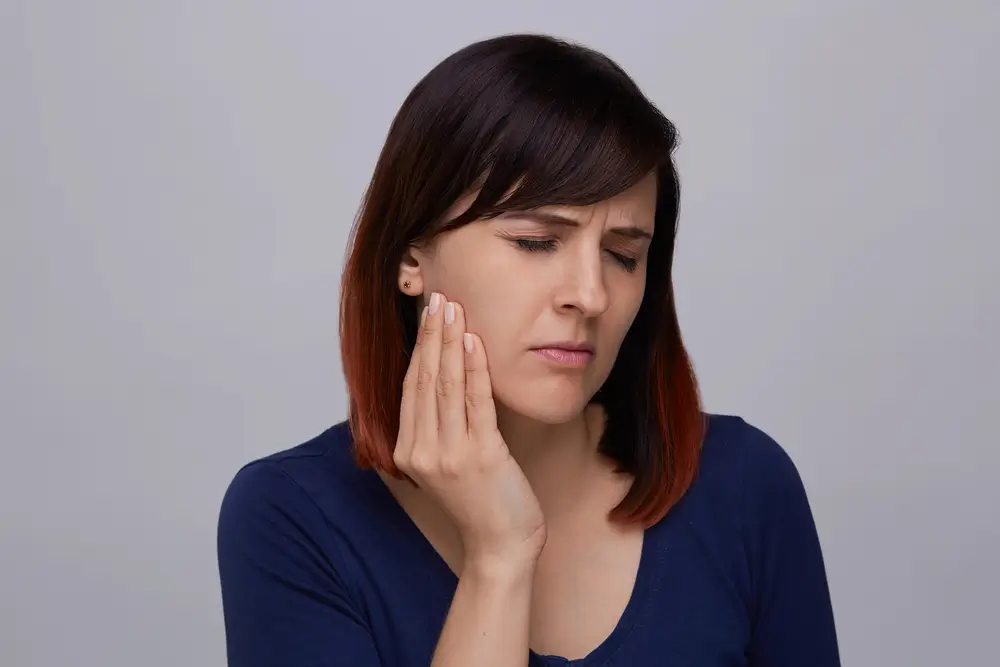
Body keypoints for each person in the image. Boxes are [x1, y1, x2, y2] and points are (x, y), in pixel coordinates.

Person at [216, 33, 840, 667]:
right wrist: (499, 556)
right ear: (411, 255)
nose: (590, 295)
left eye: (624, 255)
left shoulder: (743, 487)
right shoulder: (292, 518)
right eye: (537, 241)